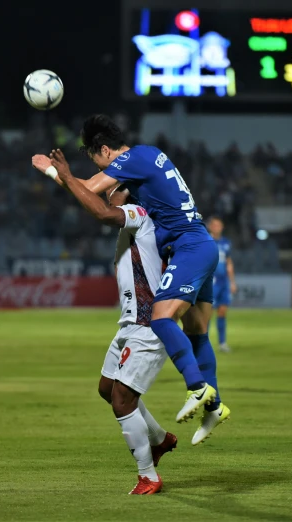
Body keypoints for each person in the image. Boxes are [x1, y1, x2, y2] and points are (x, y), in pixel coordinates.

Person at [32, 114, 224, 426]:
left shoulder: (134, 158)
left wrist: (56, 172)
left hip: (189, 246)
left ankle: (197, 388)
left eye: (99, 162)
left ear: (105, 150)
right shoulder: (149, 157)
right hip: (200, 242)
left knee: (161, 319)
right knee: (198, 333)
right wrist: (61, 176)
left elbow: (91, 191)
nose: (102, 171)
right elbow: (91, 190)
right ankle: (214, 407)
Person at [94, 184, 176, 494]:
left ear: (127, 197)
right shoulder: (133, 224)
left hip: (147, 324)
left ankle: (149, 476)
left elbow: (101, 213)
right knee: (107, 388)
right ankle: (159, 439)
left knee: (122, 399)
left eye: (112, 191)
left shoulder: (139, 215)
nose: (106, 197)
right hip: (129, 323)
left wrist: (64, 177)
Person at [207, 217, 236, 353]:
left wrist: (232, 282)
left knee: (223, 312)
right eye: (215, 225)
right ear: (210, 227)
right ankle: (203, 343)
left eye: (220, 225)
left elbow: (229, 263)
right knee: (208, 313)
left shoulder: (226, 243)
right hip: (212, 282)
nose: (217, 228)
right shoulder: (206, 241)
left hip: (224, 282)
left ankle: (222, 343)